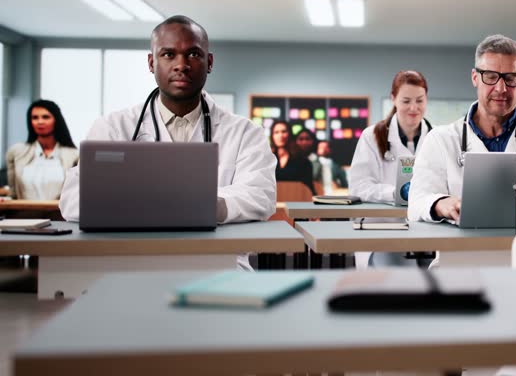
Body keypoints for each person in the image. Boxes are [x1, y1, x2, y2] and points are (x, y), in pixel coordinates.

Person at [59, 15, 276, 226]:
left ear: (209, 62)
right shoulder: (113, 128)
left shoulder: (245, 133)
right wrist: (178, 204)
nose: (181, 65)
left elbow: (260, 195)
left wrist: (205, 205)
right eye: (168, 54)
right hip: (135, 256)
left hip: (217, 258)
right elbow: (73, 200)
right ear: (151, 62)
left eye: (193, 54)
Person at [408, 35, 516, 225]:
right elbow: (416, 203)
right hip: (461, 252)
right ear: (475, 77)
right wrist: (441, 204)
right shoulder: (441, 140)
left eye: (511, 78)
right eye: (490, 76)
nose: (501, 88)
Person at [350, 70, 432, 267]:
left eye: (420, 100)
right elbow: (359, 187)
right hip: (383, 232)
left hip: (428, 234)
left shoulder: (437, 138)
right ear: (393, 99)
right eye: (406, 101)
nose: (414, 108)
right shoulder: (372, 137)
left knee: (449, 279)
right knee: (405, 281)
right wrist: (398, 193)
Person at [6, 100, 78, 200]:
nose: (40, 122)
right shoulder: (17, 152)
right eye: (35, 118)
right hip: (24, 213)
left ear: (56, 120)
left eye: (46, 117)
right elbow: (13, 194)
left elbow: (76, 195)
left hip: (58, 214)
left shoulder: (74, 155)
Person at [270, 120, 315, 195]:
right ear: (272, 136)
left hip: (296, 202)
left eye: (284, 131)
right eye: (276, 132)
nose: (280, 135)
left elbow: (309, 190)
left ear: (290, 134)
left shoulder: (302, 162)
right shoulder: (266, 160)